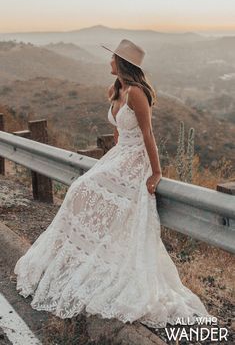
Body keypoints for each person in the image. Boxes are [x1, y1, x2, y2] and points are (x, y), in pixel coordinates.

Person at [14, 39, 214, 329]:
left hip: (135, 161)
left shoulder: (136, 93)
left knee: (84, 190)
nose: (108, 62)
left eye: (112, 58)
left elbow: (148, 135)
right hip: (119, 156)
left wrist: (155, 173)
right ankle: (85, 260)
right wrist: (112, 158)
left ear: (122, 63)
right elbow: (121, 133)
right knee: (80, 190)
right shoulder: (117, 90)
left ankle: (99, 263)